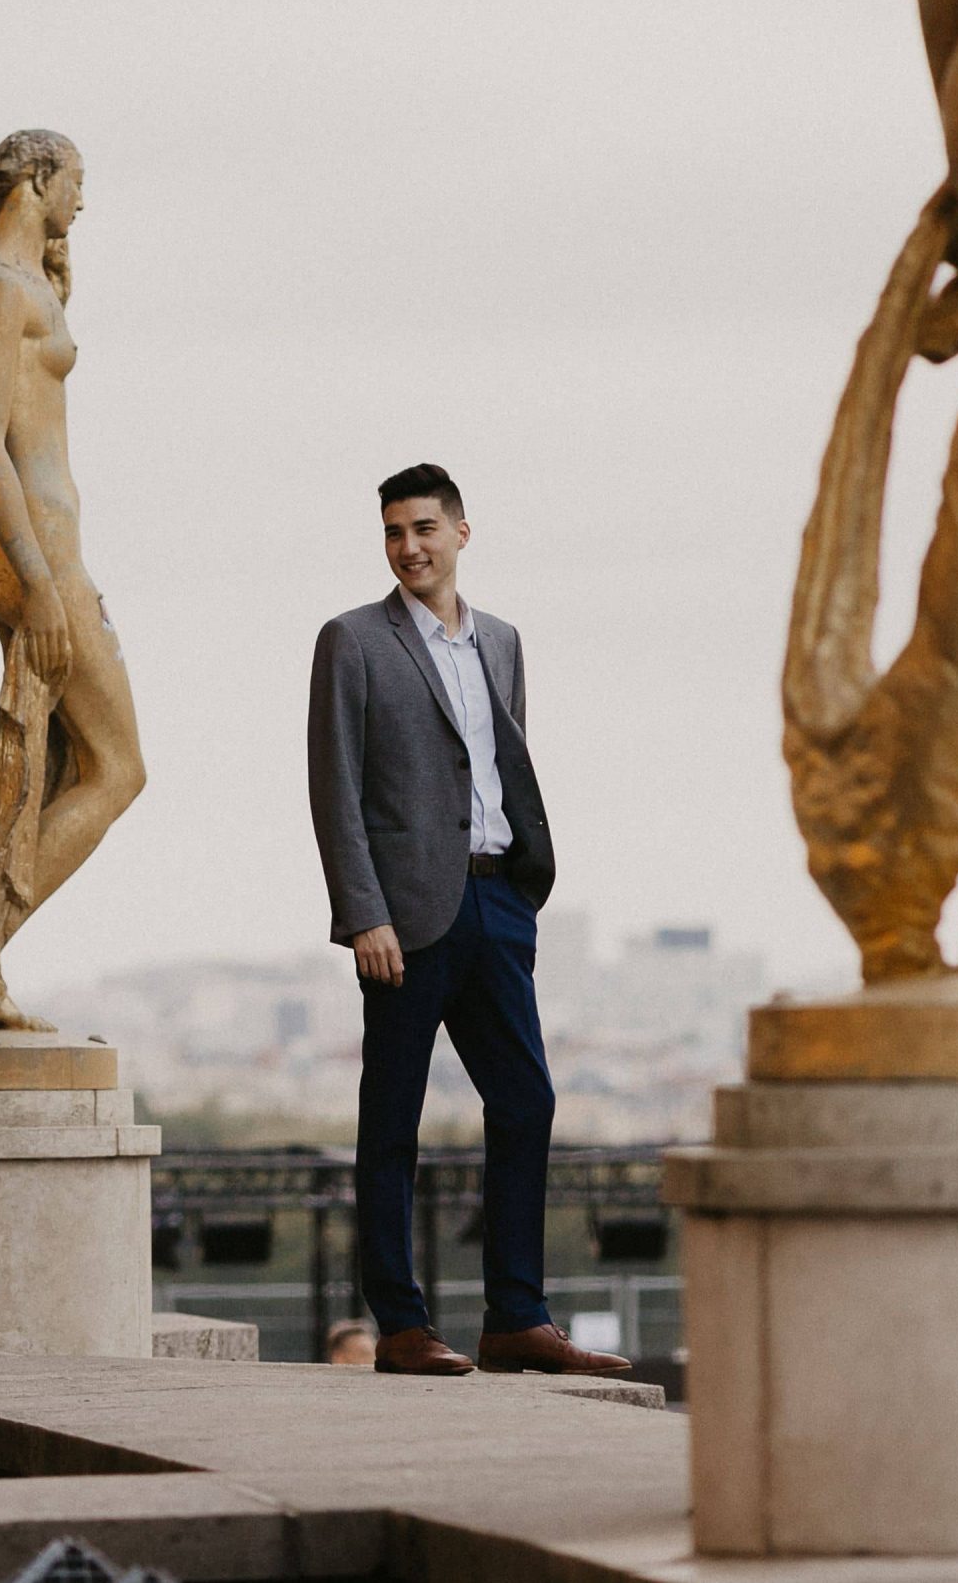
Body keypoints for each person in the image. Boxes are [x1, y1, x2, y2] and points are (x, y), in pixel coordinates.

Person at [305, 463, 624, 1378]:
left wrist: (523, 887)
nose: (409, 546)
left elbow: (502, 761)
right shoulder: (353, 641)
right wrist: (362, 912)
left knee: (527, 1101)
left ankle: (516, 1317)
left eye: (423, 530)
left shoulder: (505, 642)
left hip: (498, 900)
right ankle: (401, 1325)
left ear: (461, 533)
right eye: (394, 533)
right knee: (391, 1123)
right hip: (402, 921)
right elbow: (336, 789)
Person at [0, 128, 147, 1034]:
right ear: (37, 178)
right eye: (76, 182)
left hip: (46, 550)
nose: (83, 202)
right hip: (33, 552)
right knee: (118, 766)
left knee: (51, 770)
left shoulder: (21, 283)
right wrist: (47, 587)